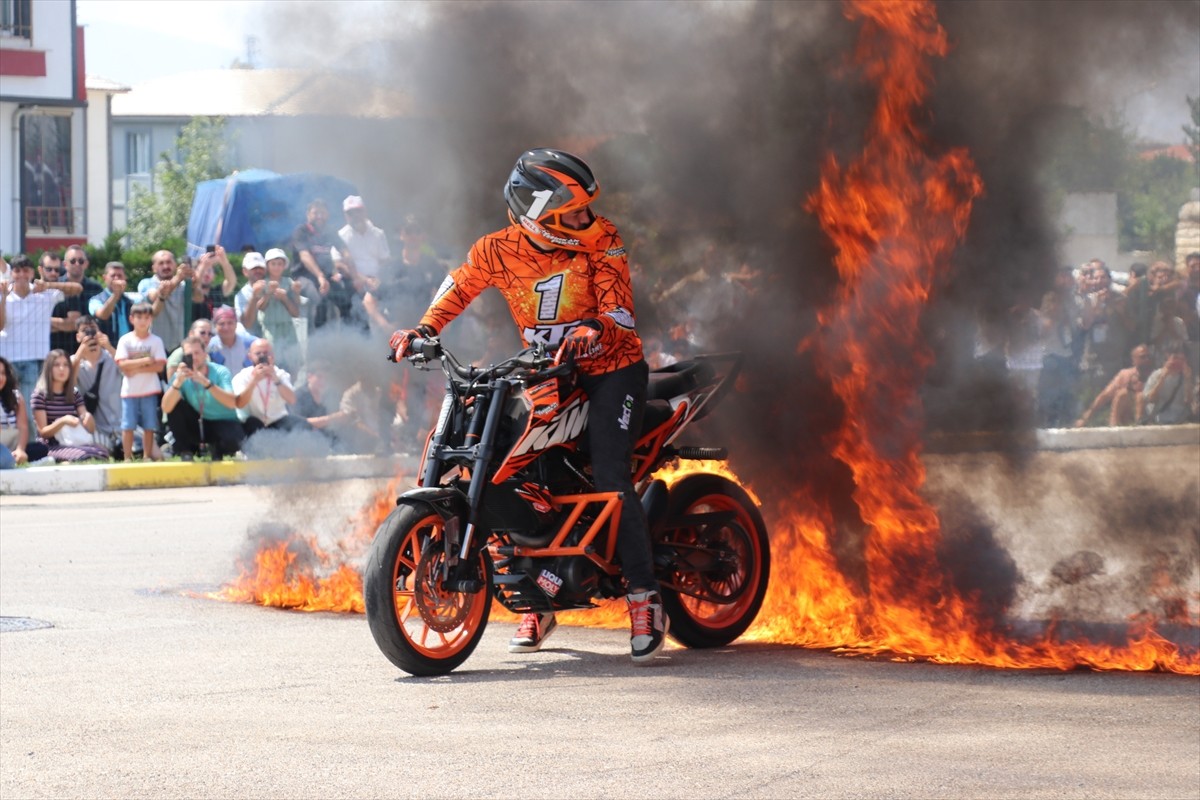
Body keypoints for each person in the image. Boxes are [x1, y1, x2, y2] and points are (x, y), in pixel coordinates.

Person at [389, 148, 668, 663]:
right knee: (513, 465)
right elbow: (460, 285)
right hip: (547, 371)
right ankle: (538, 595)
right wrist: (424, 329)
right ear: (540, 216)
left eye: (585, 210)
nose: (588, 219)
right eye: (574, 214)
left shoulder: (603, 238)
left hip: (613, 370)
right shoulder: (496, 250)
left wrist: (596, 326)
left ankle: (644, 596)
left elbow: (620, 310)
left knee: (610, 474)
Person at [0, 254, 81, 424]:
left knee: (29, 413)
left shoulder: (44, 293)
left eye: (25, 270)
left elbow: (77, 288)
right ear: (12, 273)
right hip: (6, 361)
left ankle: (29, 441)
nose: (21, 274)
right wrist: (4, 298)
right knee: (5, 410)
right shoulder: (4, 292)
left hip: (34, 360)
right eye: (17, 271)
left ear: (32, 273)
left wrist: (48, 285)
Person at [162, 335, 244, 460]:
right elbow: (166, 408)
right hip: (198, 423)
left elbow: (232, 403)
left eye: (197, 353)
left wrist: (206, 383)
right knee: (175, 404)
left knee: (232, 442)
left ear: (205, 354)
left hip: (223, 421)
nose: (194, 358)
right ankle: (185, 451)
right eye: (189, 355)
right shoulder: (180, 376)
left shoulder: (220, 371)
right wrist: (177, 383)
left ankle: (217, 450)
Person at [30, 349, 110, 463]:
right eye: (57, 365)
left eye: (66, 365)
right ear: (49, 368)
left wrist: (88, 418)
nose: (62, 369)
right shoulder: (39, 395)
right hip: (50, 445)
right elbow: (43, 432)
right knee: (82, 455)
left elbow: (90, 429)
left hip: (73, 441)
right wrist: (63, 421)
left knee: (100, 452)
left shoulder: (74, 393)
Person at [114, 302, 167, 462]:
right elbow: (122, 364)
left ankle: (146, 456)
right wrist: (145, 361)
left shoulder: (156, 341)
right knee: (127, 425)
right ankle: (127, 457)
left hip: (150, 390)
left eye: (146, 317)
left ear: (151, 319)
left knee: (149, 426)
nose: (143, 321)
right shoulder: (125, 340)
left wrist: (134, 368)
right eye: (139, 317)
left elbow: (159, 366)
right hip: (129, 391)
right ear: (132, 319)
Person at [292, 198, 354, 329]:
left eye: (322, 213)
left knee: (345, 300)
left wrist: (350, 266)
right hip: (303, 277)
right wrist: (320, 276)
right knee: (320, 299)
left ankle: (349, 336)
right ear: (308, 214)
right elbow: (305, 256)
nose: (319, 216)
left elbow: (344, 250)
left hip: (326, 276)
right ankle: (319, 339)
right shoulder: (301, 231)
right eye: (315, 213)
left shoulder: (330, 231)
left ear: (328, 215)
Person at [232, 338, 310, 437]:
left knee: (303, 426)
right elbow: (240, 403)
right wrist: (254, 380)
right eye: (258, 353)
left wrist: (276, 379)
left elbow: (292, 400)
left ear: (272, 356)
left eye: (266, 353)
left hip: (277, 420)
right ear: (250, 357)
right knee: (252, 424)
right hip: (254, 422)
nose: (262, 356)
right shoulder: (242, 376)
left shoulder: (280, 374)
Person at [72, 315, 122, 456]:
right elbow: (69, 384)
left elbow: (128, 370)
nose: (90, 334)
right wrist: (81, 351)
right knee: (97, 451)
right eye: (85, 331)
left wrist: (109, 347)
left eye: (93, 329)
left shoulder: (113, 357)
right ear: (78, 337)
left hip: (120, 427)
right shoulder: (74, 361)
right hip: (94, 431)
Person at [1074, 344, 1154, 428]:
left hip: (1147, 417)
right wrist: (1086, 417)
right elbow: (1105, 395)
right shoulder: (1124, 375)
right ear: (1134, 360)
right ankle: (1114, 427)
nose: (1147, 359)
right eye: (1143, 357)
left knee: (1140, 397)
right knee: (1122, 394)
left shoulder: (1156, 376)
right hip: (1124, 419)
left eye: (1148, 357)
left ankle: (1141, 425)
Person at [254, 248, 303, 373]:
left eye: (280, 264)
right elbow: (260, 307)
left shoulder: (290, 283)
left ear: (284, 266)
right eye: (273, 264)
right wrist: (268, 293)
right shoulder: (261, 284)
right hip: (270, 331)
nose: (276, 267)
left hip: (288, 330)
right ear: (267, 265)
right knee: (272, 364)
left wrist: (285, 298)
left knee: (292, 366)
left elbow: (296, 313)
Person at [50, 245, 104, 355]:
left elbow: (99, 321)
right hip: (58, 349)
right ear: (65, 264)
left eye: (81, 261)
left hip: (88, 350)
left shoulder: (96, 288)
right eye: (73, 261)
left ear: (86, 264)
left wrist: (58, 325)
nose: (77, 264)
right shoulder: (54, 287)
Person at [332, 195, 390, 294]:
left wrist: (379, 279)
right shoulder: (341, 236)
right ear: (345, 216)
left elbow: (385, 261)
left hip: (377, 281)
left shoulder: (378, 234)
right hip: (353, 281)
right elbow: (338, 264)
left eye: (358, 211)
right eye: (350, 213)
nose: (355, 216)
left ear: (364, 211)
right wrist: (362, 279)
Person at [0, 355, 50, 467]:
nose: (0, 377)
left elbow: (23, 427)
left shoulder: (15, 397)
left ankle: (17, 458)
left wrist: (20, 450)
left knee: (41, 449)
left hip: (12, 447)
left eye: (3, 373)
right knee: (5, 460)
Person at [140, 250, 193, 355]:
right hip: (155, 345)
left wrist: (196, 276)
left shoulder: (184, 285)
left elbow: (199, 297)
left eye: (169, 262)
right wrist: (178, 278)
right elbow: (154, 297)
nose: (165, 266)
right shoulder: (146, 283)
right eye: (161, 263)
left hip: (180, 345)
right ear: (154, 268)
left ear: (175, 265)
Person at [88, 261, 142, 344]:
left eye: (120, 276)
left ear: (125, 278)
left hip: (130, 347)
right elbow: (103, 315)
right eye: (113, 275)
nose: (116, 278)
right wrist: (116, 295)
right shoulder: (95, 300)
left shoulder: (131, 301)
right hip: (106, 348)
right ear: (104, 278)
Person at [1142, 347, 1196, 425]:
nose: (1178, 361)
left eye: (1182, 359)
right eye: (1175, 358)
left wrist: (1187, 379)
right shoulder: (1156, 375)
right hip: (1159, 418)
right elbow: (1150, 399)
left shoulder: (1187, 376)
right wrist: (1162, 378)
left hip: (1180, 419)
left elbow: (1189, 401)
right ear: (1168, 358)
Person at [191, 246, 238, 321]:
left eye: (209, 270)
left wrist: (224, 261)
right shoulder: (190, 290)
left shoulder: (217, 291)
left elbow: (231, 282)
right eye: (204, 270)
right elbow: (195, 286)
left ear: (214, 275)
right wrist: (203, 265)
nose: (206, 274)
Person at [208, 306, 255, 371]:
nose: (226, 328)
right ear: (215, 326)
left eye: (230, 323)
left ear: (236, 324)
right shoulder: (210, 346)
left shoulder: (252, 344)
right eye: (221, 324)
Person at [233, 252, 268, 337]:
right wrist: (254, 296)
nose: (258, 271)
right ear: (245, 271)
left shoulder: (273, 288)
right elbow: (247, 324)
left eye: (261, 267)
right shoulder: (240, 295)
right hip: (252, 341)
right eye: (254, 268)